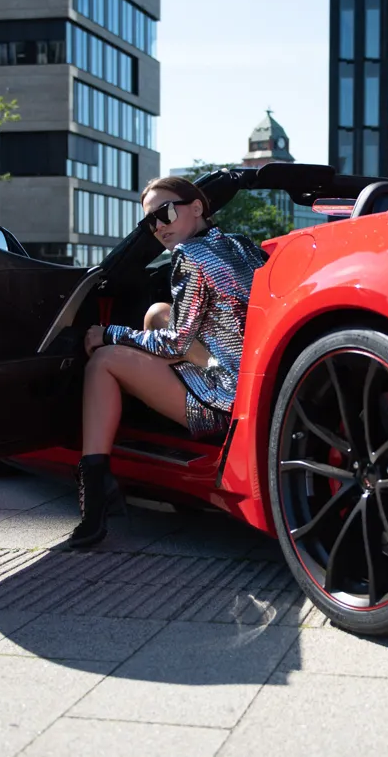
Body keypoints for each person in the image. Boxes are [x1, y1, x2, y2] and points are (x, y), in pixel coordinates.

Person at [67, 176, 266, 548]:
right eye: (149, 221)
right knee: (159, 311)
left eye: (166, 212)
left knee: (104, 362)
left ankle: (95, 490)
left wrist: (109, 333)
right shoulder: (239, 245)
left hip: (222, 406)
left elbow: (175, 342)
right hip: (255, 380)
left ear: (196, 207)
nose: (158, 226)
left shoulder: (190, 256)